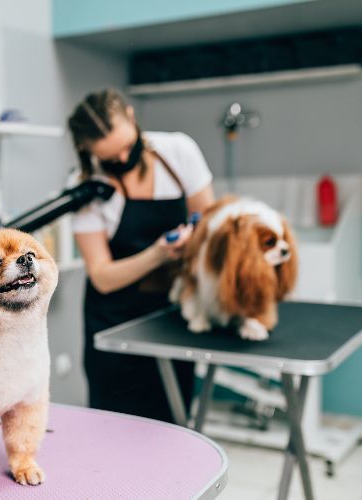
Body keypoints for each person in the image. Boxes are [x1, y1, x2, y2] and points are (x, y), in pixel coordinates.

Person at [68, 89, 215, 423]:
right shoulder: (86, 187)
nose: (121, 159)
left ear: (132, 118)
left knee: (172, 423)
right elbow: (102, 277)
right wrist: (158, 254)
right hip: (111, 322)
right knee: (114, 427)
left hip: (171, 314)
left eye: (126, 146)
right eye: (109, 156)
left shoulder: (179, 151)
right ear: (86, 150)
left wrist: (193, 235)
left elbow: (207, 219)